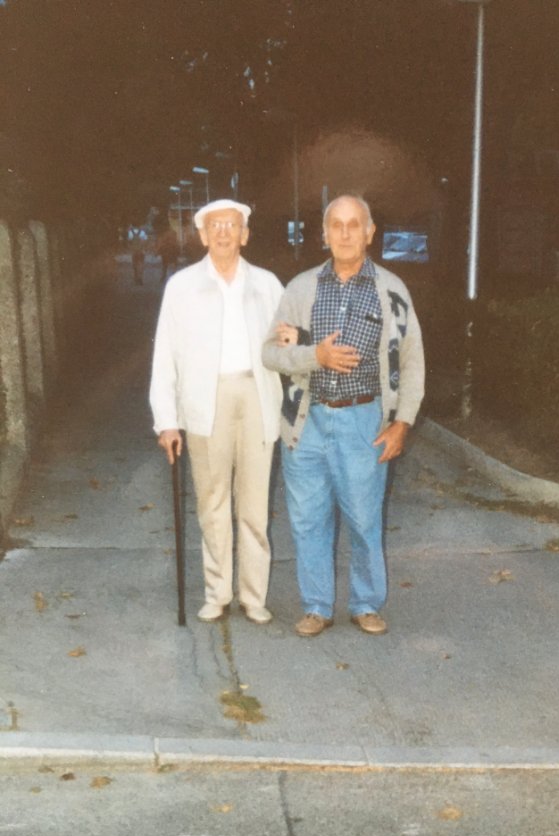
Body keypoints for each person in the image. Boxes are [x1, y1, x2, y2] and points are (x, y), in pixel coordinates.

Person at [262, 194, 424, 637]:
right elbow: (270, 353)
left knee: (364, 519)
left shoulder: (392, 290)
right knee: (308, 520)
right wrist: (314, 356)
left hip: (364, 421)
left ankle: (366, 603)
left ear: (370, 233)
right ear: (325, 233)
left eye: (355, 225)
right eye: (337, 225)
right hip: (307, 421)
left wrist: (402, 423)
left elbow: (412, 361)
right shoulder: (300, 289)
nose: (346, 233)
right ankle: (317, 606)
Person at [149, 199, 283, 624]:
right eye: (215, 226)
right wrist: (167, 420)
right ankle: (217, 592)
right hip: (205, 401)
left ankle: (253, 596)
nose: (224, 232)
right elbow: (165, 356)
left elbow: (287, 343)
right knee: (212, 502)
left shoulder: (267, 284)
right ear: (203, 236)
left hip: (256, 394)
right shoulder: (181, 286)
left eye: (232, 225)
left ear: (245, 234)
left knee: (254, 505)